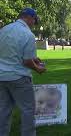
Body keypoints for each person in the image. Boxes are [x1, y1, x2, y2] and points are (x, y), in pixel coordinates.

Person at [0, 8, 46, 136]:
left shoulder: (4, 30)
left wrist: (33, 59)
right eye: (34, 21)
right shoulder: (28, 34)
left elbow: (8, 52)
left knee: (3, 111)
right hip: (19, 78)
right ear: (30, 18)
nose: (34, 24)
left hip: (1, 77)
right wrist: (38, 69)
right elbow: (27, 62)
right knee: (28, 111)